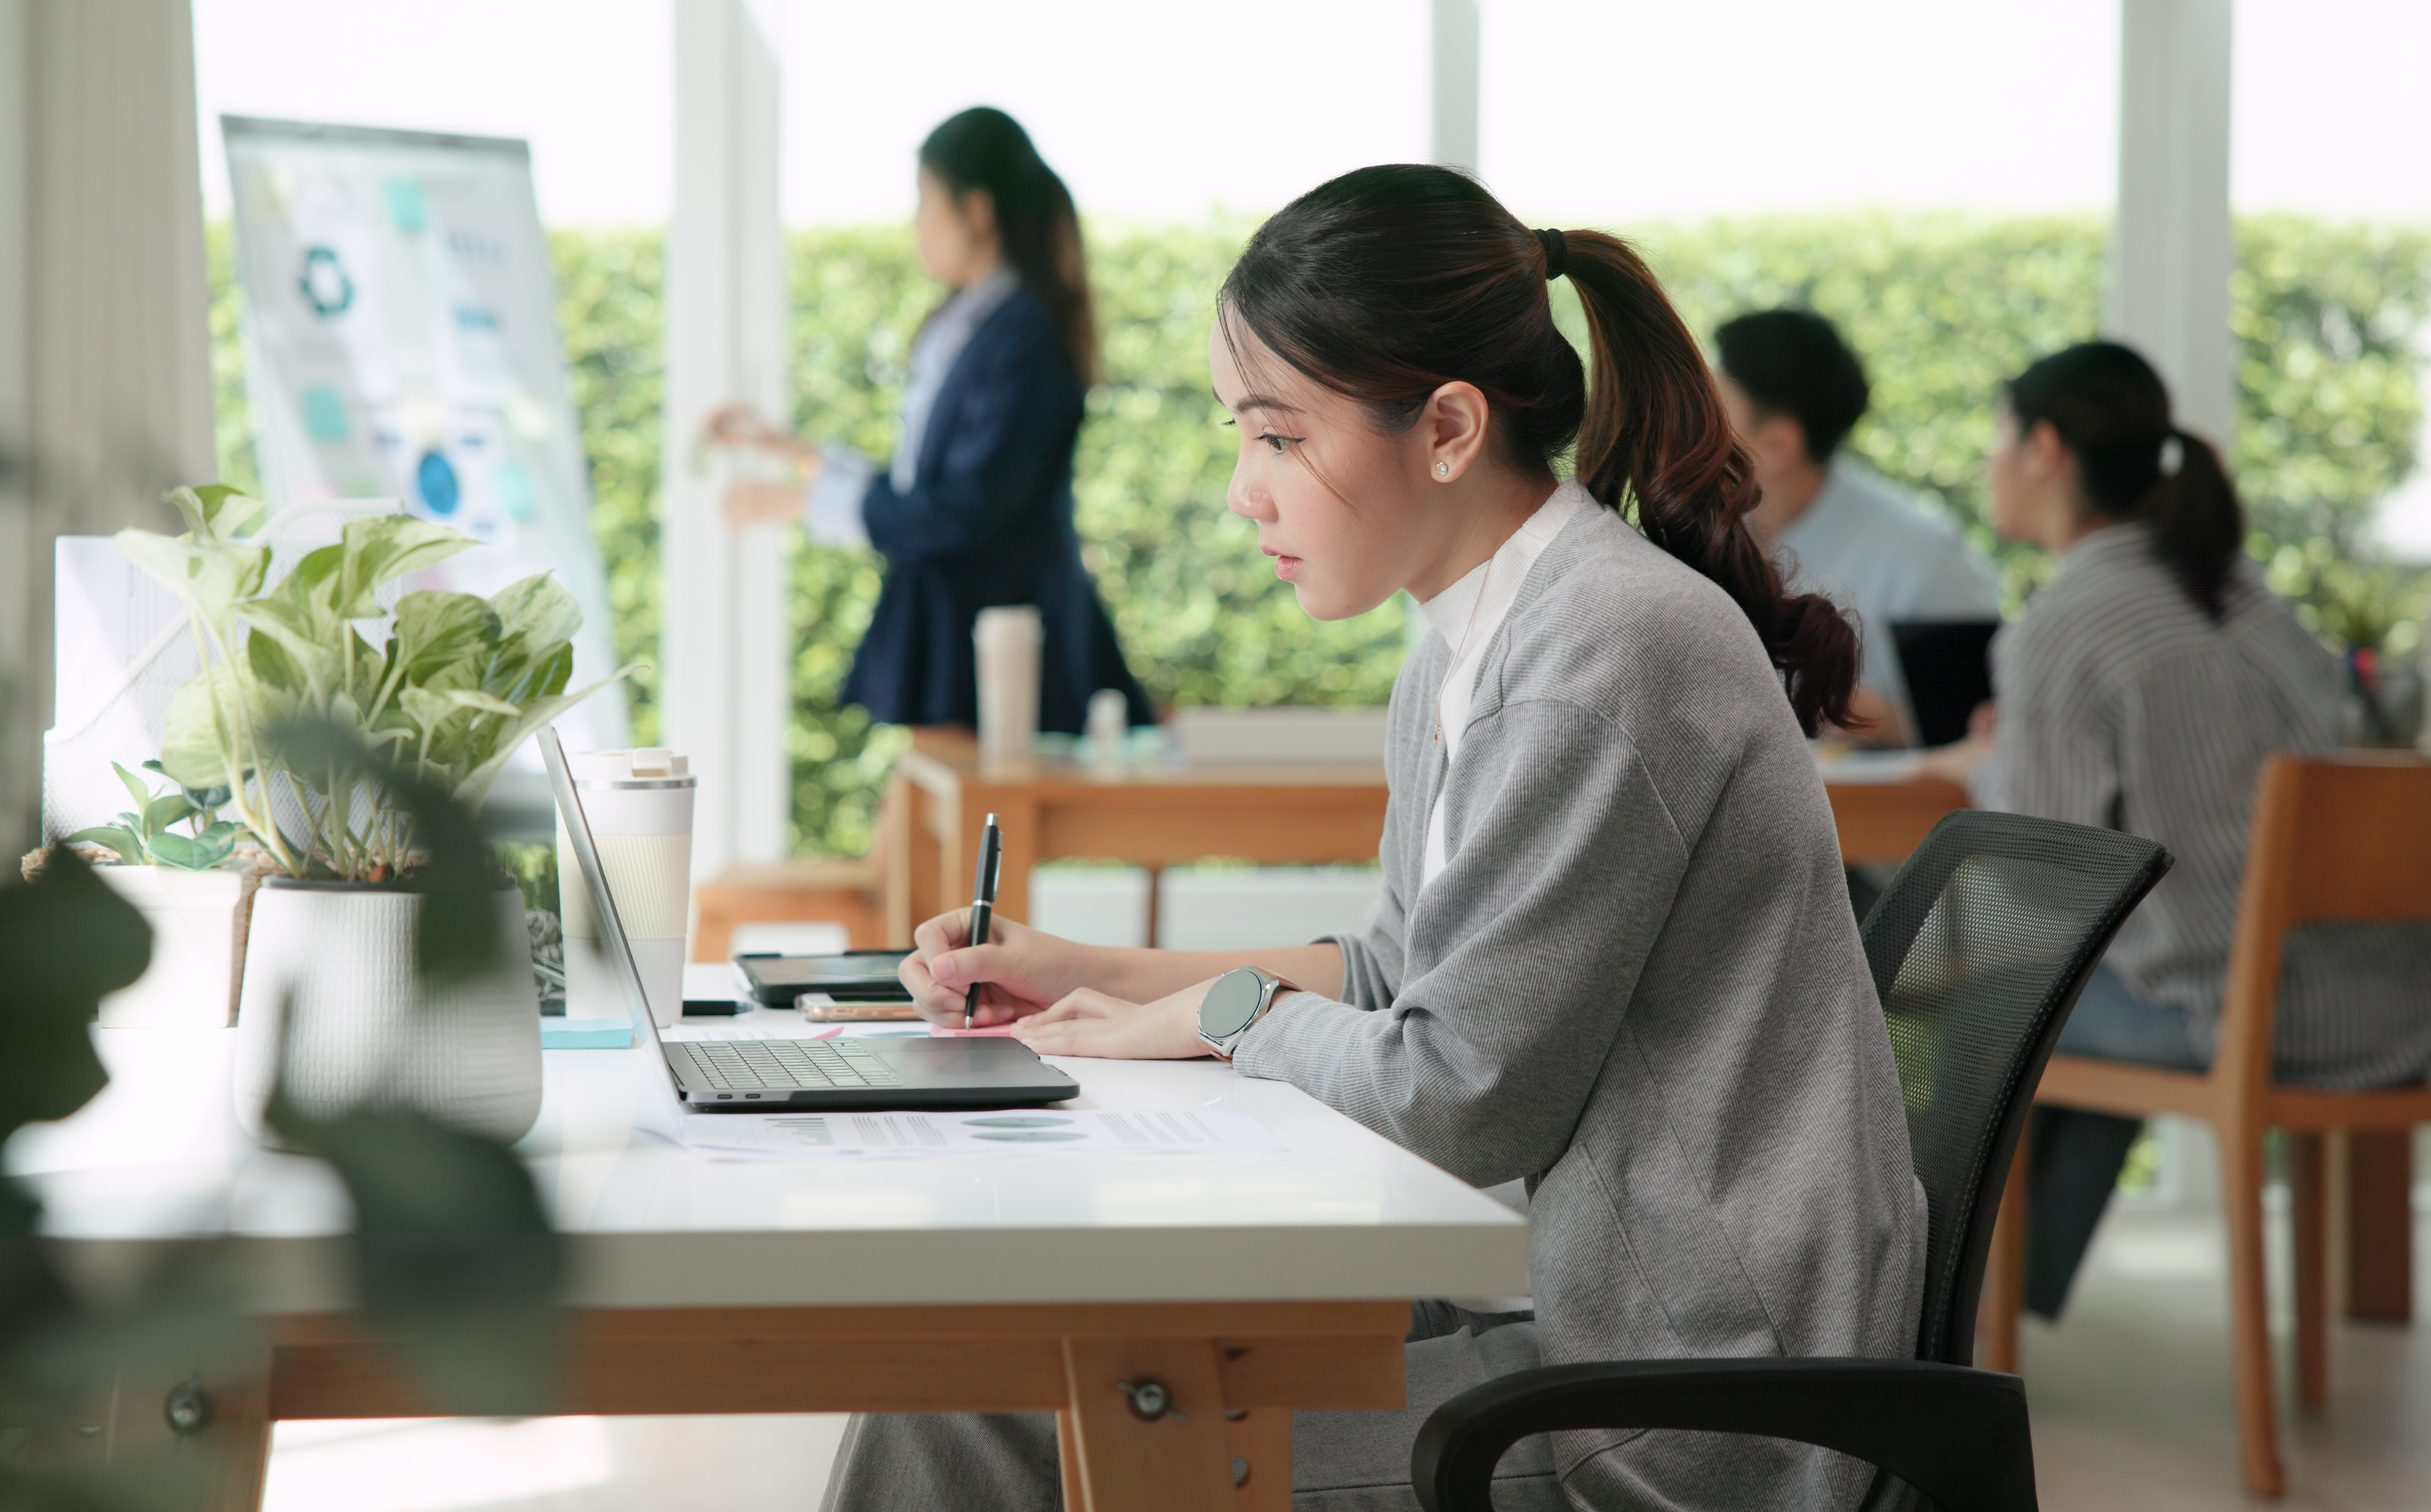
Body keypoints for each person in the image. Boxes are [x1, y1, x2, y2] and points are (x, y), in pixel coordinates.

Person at [819, 166, 1925, 1511]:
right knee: (1006, 1372)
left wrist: (1223, 1012)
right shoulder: (1474, 642)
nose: (1244, 491)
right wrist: (1079, 966)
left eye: (1279, 438)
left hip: (1686, 1405)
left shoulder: (1599, 656)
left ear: (1450, 426)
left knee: (990, 1421)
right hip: (1596, 1327)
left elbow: (1455, 1092)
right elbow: (1401, 965)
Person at [1919, 341, 2431, 1320]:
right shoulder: (2253, 598)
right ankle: (2004, 1302)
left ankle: (1927, 1316)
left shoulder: (2068, 623)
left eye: (1999, 441)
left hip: (2248, 1016)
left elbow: (2036, 879)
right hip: (2400, 1003)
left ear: (2047, 449)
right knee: (2067, 972)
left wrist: (1989, 764)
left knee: (1932, 979)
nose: (1990, 466)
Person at [708, 106, 1150, 734]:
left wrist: (793, 502)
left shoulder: (1022, 333)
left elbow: (959, 509)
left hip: (999, 640)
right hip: (963, 630)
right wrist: (795, 454)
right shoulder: (974, 324)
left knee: (955, 824)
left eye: (925, 202)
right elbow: (926, 487)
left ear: (976, 211)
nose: (916, 225)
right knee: (930, 822)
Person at [1715, 308, 1998, 746]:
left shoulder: (1924, 556)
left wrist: (1869, 718)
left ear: (1777, 443)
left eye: (1711, 408)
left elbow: (1979, 732)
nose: (1684, 426)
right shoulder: (1690, 536)